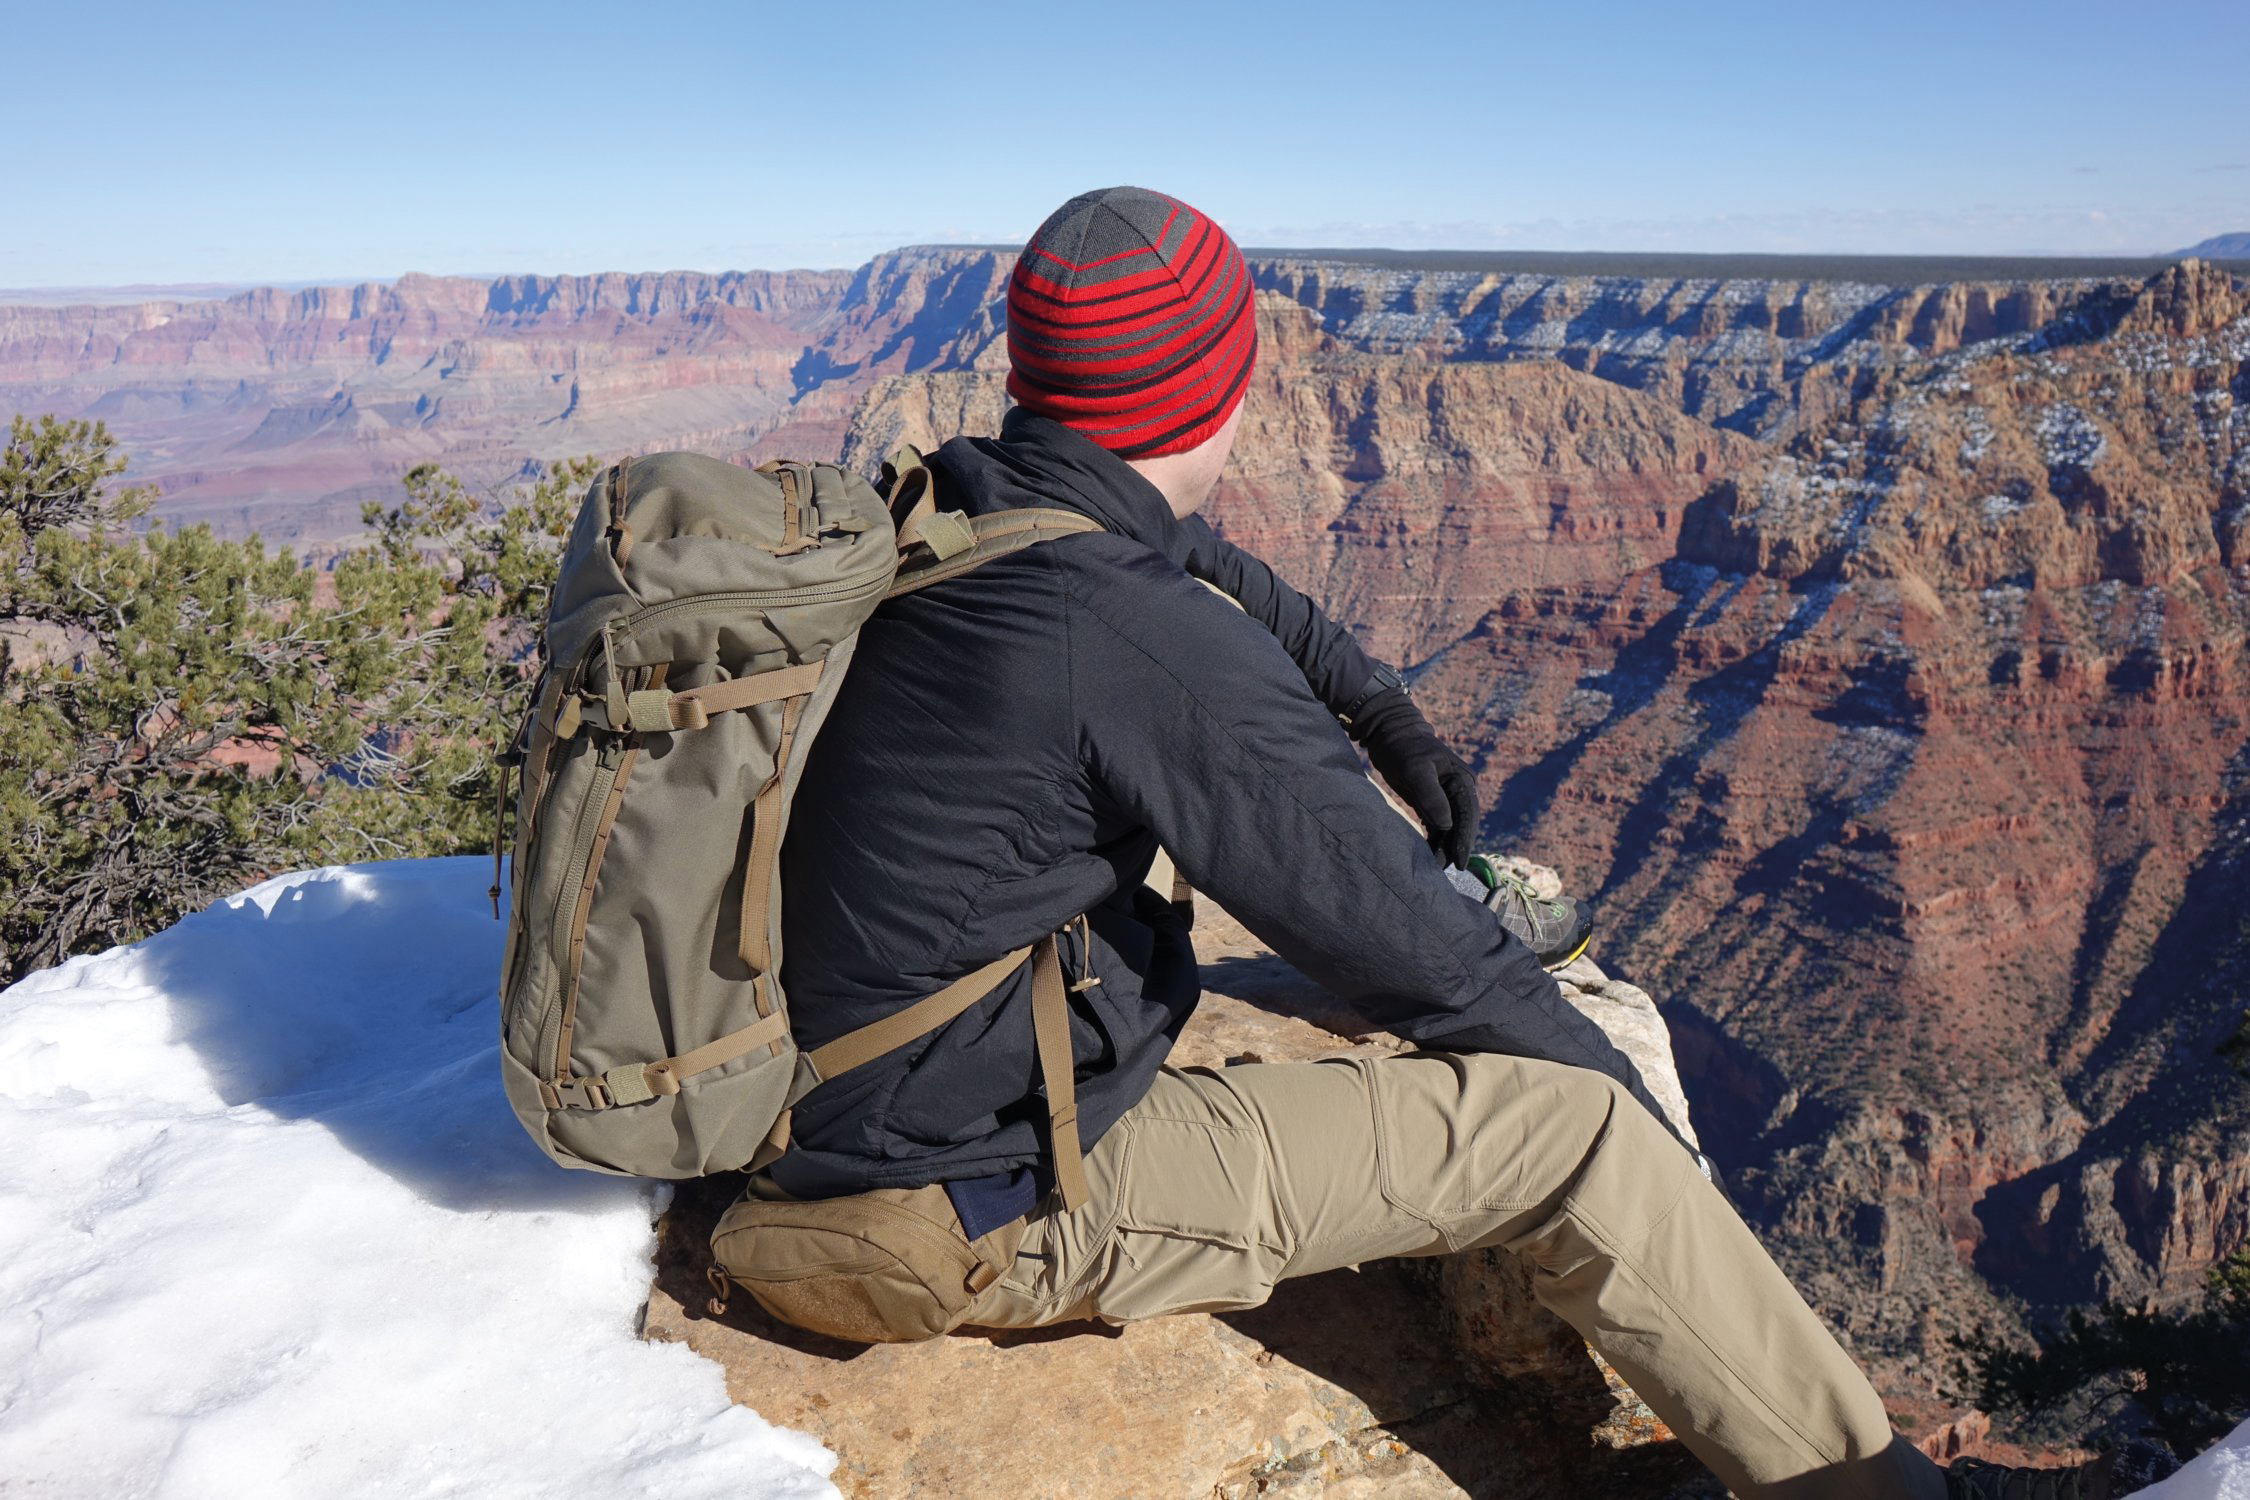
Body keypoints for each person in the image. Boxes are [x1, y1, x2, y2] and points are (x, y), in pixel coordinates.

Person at [763, 187, 2114, 1500]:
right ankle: (1874, 1492)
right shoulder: (1133, 646)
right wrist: (1652, 1154)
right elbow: (1435, 964)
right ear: (1222, 387)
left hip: (833, 1092)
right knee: (1572, 1137)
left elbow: (1193, 560)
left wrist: (1380, 710)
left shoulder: (960, 498)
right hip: (940, 1202)